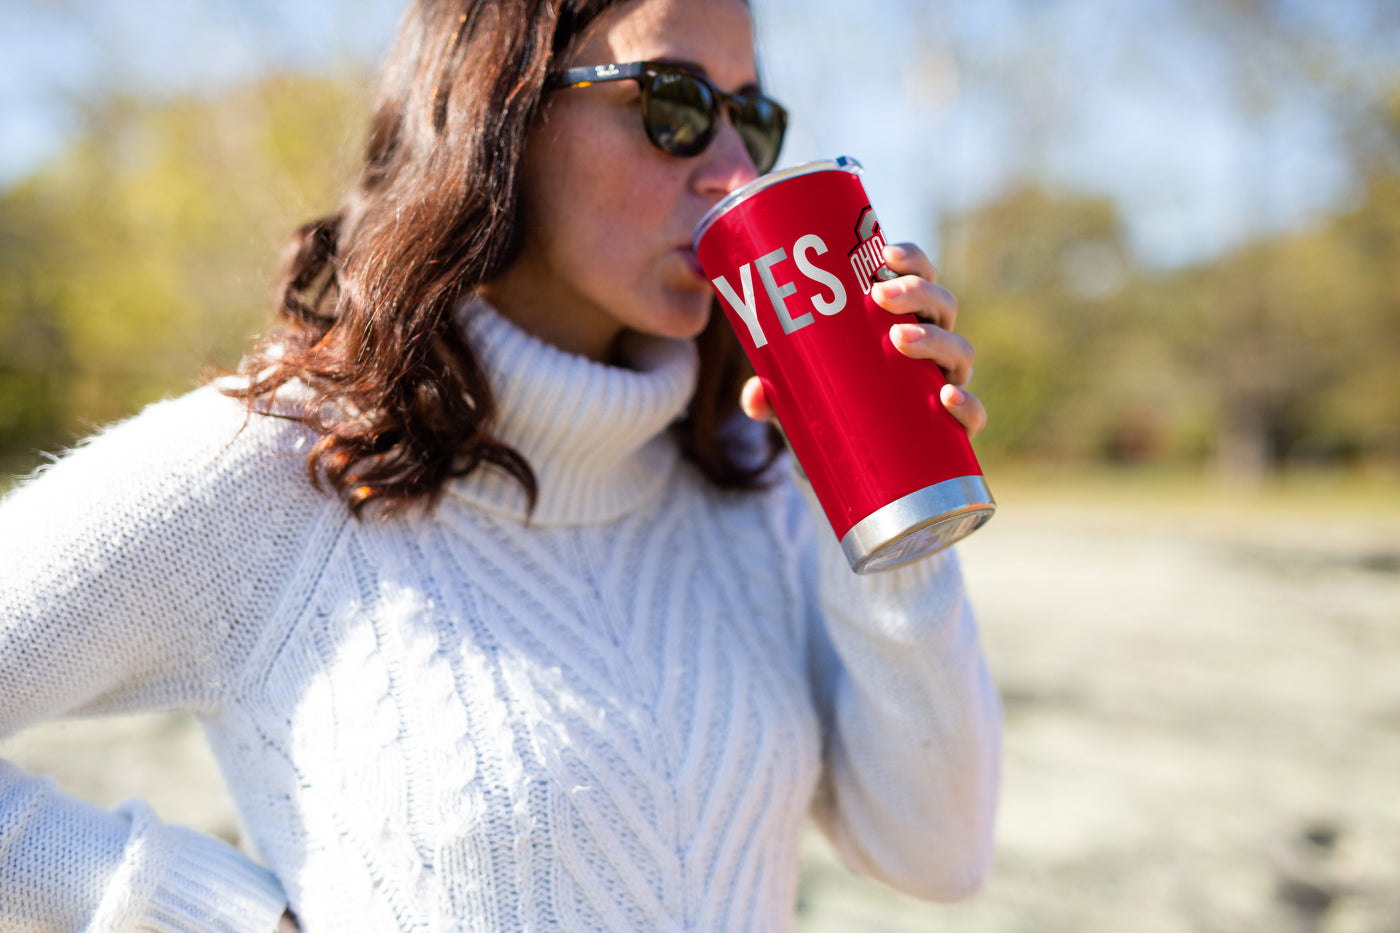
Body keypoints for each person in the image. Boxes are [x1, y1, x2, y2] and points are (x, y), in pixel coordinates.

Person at [0, 0, 1001, 929]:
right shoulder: (268, 468)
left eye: (752, 117)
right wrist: (208, 914)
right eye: (674, 103)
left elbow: (934, 854)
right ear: (497, 112)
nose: (734, 174)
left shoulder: (748, 485)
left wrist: (889, 500)